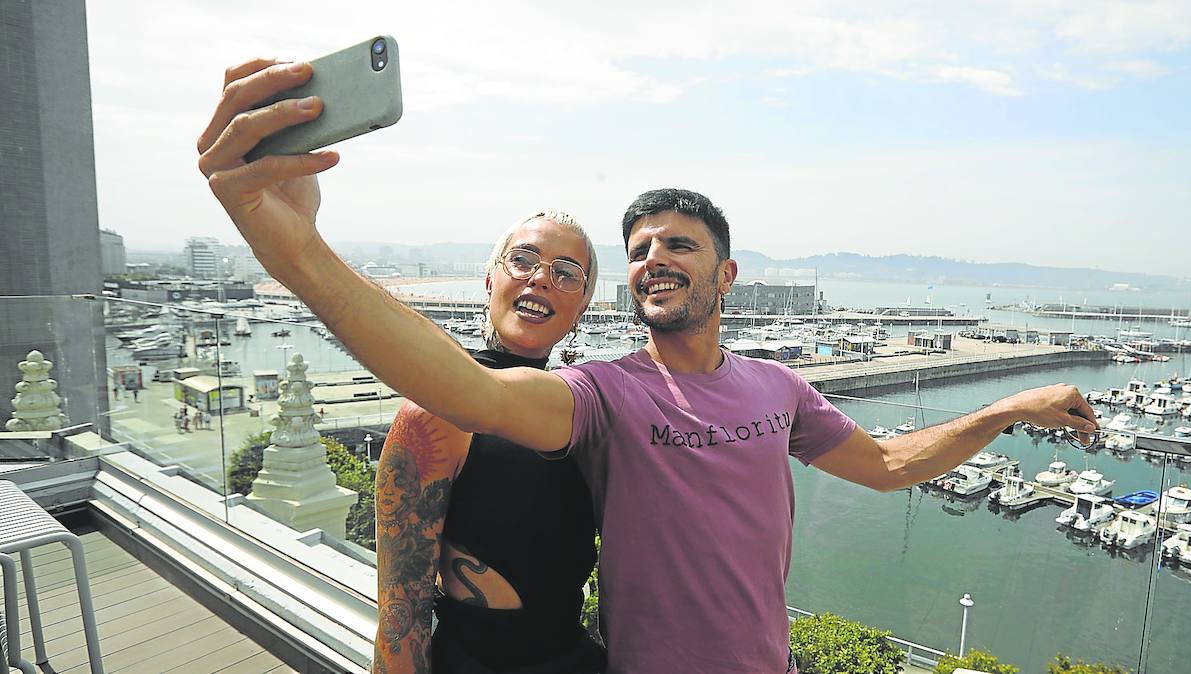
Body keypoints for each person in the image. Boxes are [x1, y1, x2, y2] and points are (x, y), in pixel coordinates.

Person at [198, 59, 1098, 673]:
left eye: (680, 244)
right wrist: (295, 250)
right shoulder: (603, 392)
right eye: (639, 249)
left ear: (726, 275)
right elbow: (463, 390)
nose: (655, 258)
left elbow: (892, 464)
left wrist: (1009, 408)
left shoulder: (780, 388)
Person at [372, 211, 605, 674]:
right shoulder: (438, 411)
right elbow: (402, 614)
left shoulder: (582, 412)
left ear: (581, 309)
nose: (541, 278)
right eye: (523, 260)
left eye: (566, 273)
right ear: (490, 280)